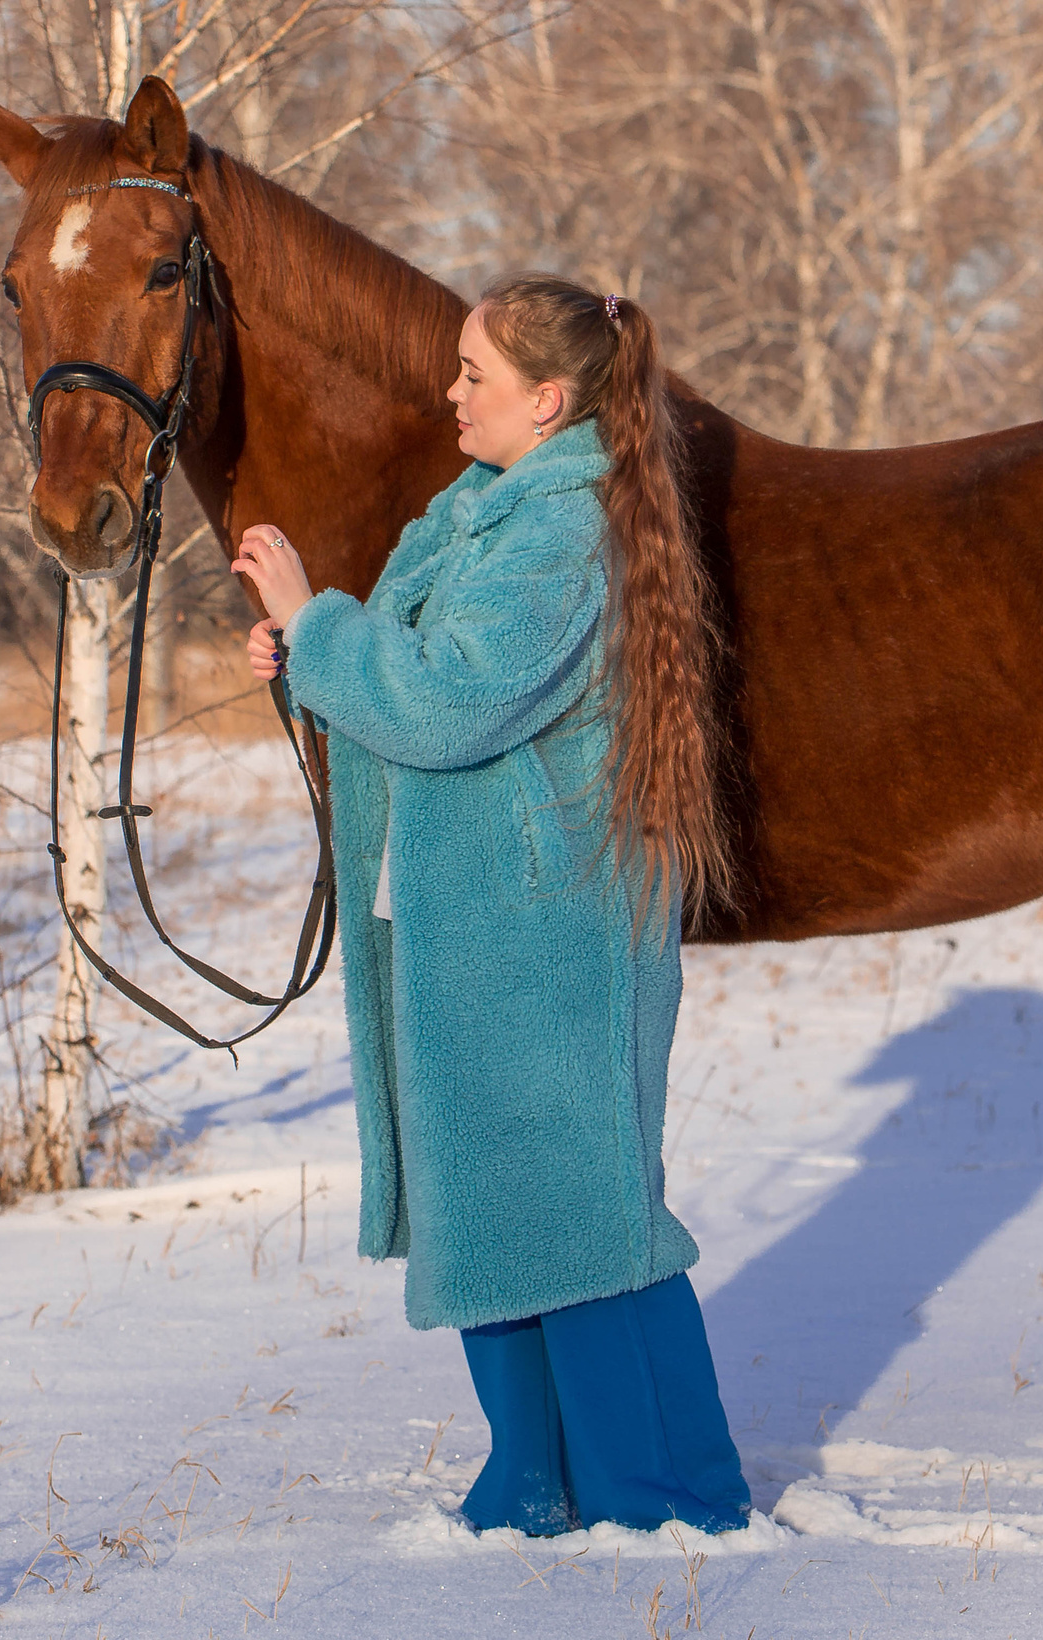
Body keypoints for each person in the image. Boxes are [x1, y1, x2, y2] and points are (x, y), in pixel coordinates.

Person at [228, 273, 751, 1539]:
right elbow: (407, 677)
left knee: (580, 1199)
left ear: (550, 398)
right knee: (482, 1192)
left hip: (546, 922)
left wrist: (316, 615)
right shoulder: (479, 510)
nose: (450, 392)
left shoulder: (562, 528)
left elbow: (455, 697)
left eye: (474, 374)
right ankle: (534, 1469)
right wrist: (310, 660)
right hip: (467, 913)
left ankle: (658, 1488)